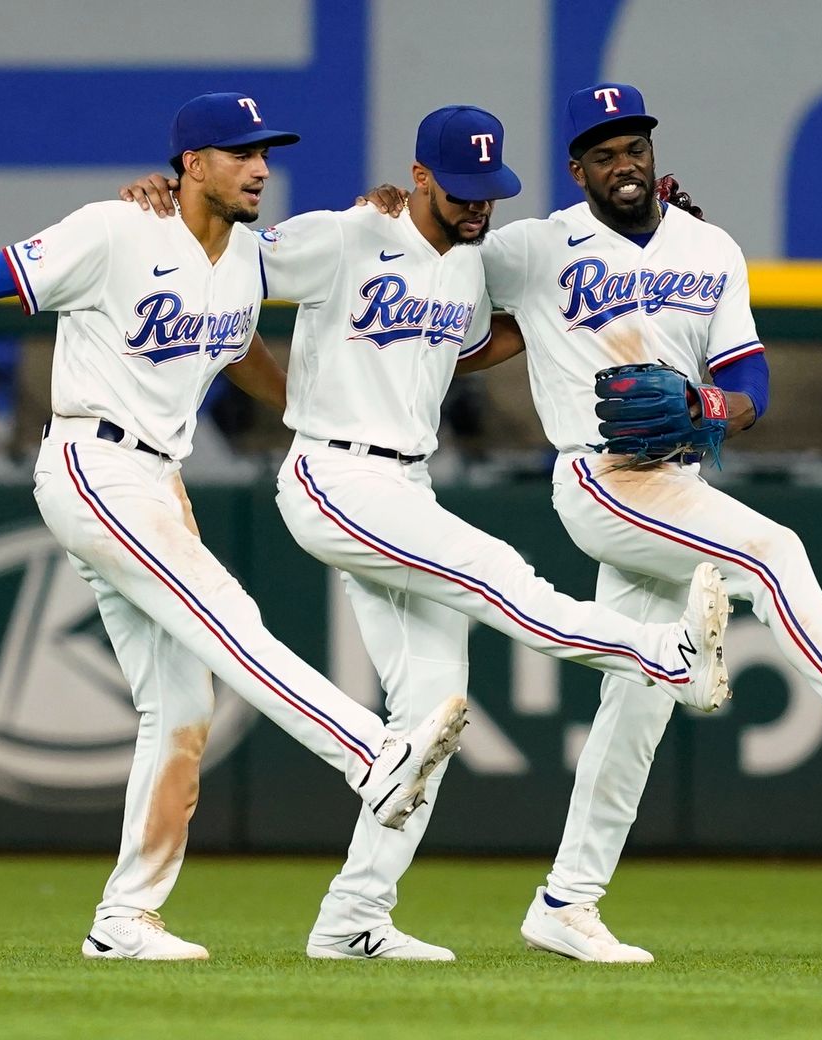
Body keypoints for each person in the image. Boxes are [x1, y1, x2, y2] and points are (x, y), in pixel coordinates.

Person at [0, 92, 469, 963]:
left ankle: (125, 920)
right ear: (192, 164)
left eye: (265, 152)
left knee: (181, 703)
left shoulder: (245, 259)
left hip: (156, 477)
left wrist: (374, 237)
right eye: (239, 152)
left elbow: (243, 351)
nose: (260, 167)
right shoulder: (115, 229)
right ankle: (368, 753)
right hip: (92, 460)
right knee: (227, 614)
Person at [120, 105, 731, 963]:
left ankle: (353, 918)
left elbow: (496, 339)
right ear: (418, 177)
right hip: (335, 473)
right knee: (494, 573)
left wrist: (661, 258)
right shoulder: (346, 234)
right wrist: (169, 194)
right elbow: (224, 257)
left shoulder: (474, 264)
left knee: (435, 710)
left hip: (404, 477)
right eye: (461, 191)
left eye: (491, 192)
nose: (479, 207)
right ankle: (662, 654)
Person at [447, 82, 822, 962]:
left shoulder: (710, 246)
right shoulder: (534, 245)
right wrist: (390, 210)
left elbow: (753, 386)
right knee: (774, 554)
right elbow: (436, 260)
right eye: (605, 153)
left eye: (637, 147)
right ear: (577, 167)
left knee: (639, 699)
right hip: (603, 473)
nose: (626, 164)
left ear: (654, 153)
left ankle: (564, 901)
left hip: (677, 472)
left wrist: (707, 404)